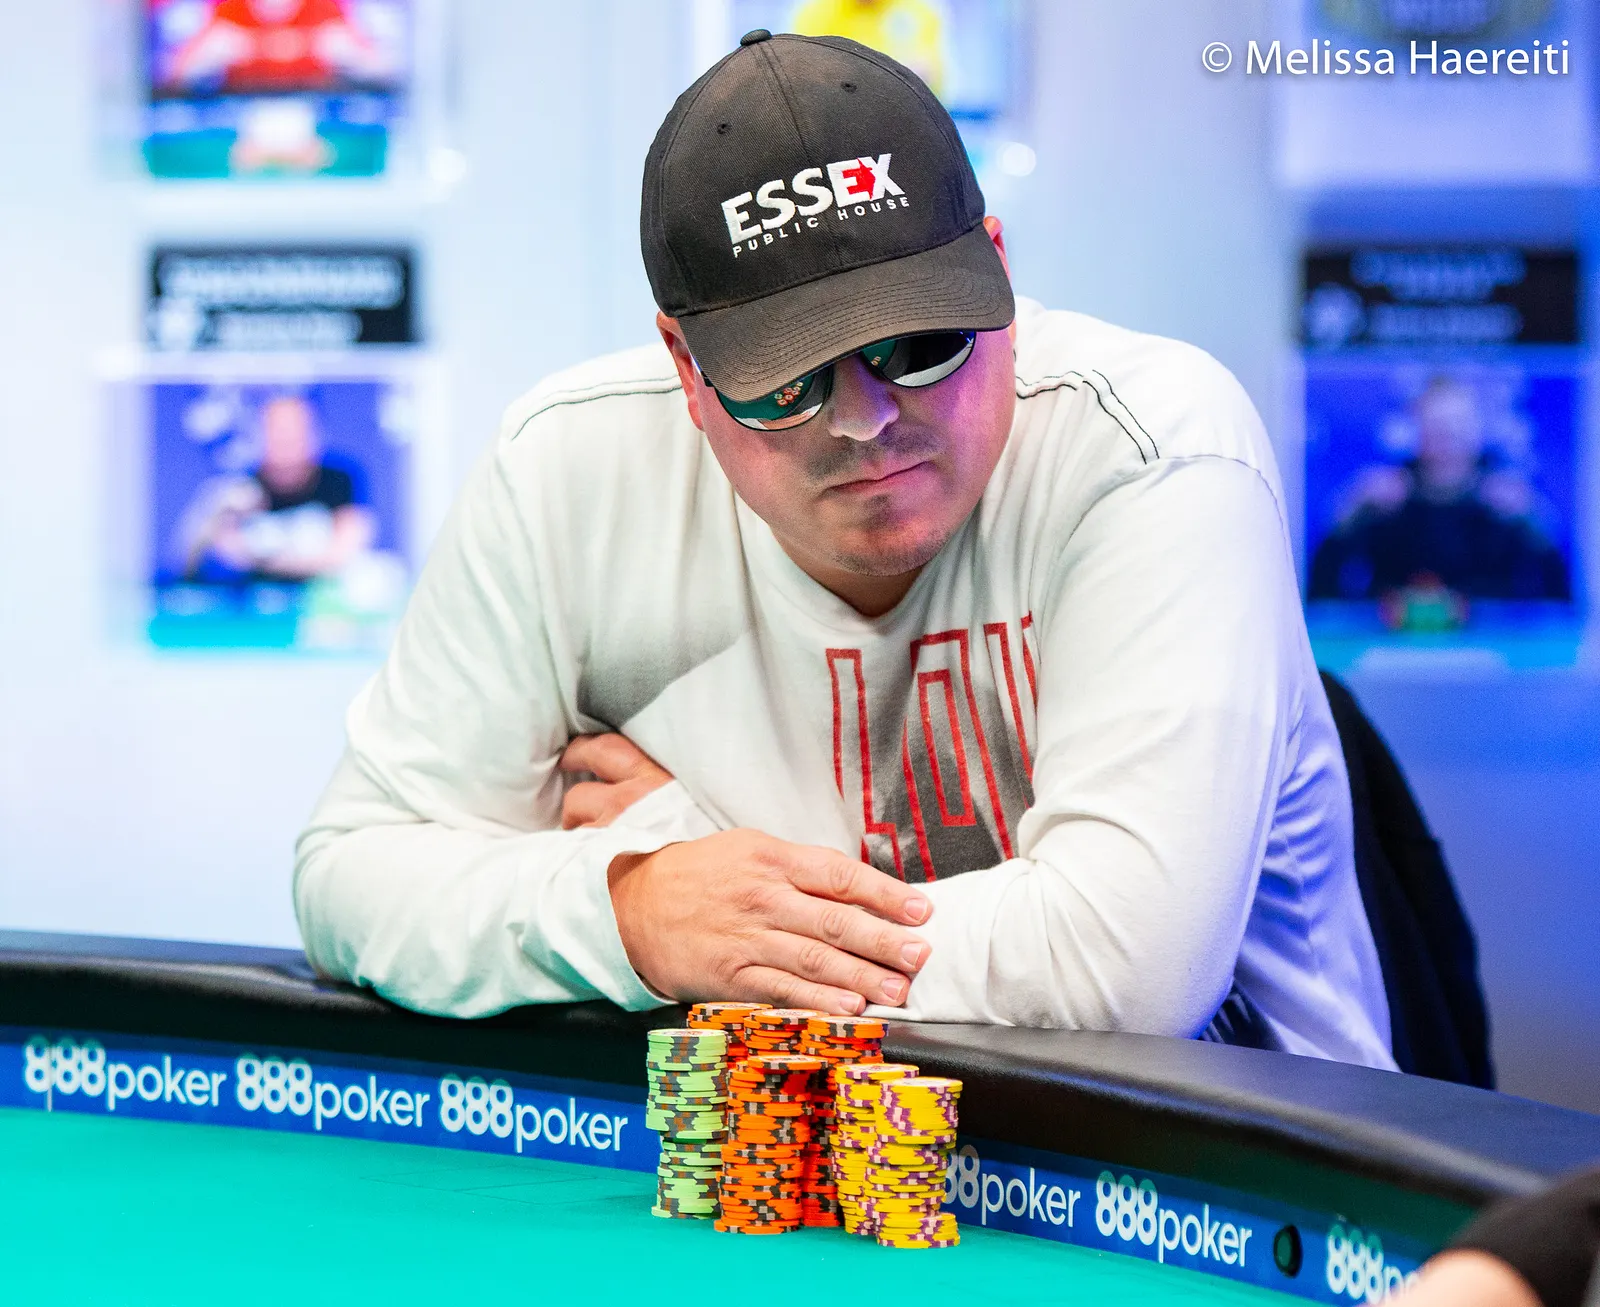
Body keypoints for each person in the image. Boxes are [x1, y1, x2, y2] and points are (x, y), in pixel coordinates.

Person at [294, 31, 1392, 1069]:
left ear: (998, 274)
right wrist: (633, 908)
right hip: (786, 1169)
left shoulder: (1149, 446)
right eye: (787, 378)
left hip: (1227, 1174)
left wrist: (698, 860)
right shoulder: (566, 469)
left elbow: (1128, 971)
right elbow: (352, 873)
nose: (864, 419)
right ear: (685, 365)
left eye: (918, 342)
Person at [1308, 376, 1570, 606]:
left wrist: (1534, 518)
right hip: (1396, 640)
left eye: (1457, 428)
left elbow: (1560, 600)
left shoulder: (1508, 504)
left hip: (1495, 642)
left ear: (1476, 432)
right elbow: (1321, 592)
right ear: (1417, 432)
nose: (1447, 442)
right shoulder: (1384, 500)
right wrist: (1350, 511)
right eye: (1437, 429)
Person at [179, 391, 375, 584]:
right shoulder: (240, 488)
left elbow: (345, 548)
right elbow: (226, 552)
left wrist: (270, 562)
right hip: (256, 598)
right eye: (278, 431)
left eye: (295, 430)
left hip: (321, 595)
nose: (286, 440)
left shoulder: (338, 482)